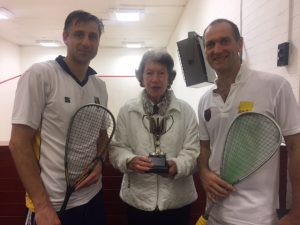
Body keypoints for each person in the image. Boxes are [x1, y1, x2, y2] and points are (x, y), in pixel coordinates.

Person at [197, 18, 300, 225]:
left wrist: (297, 213)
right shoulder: (205, 100)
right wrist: (203, 173)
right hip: (213, 216)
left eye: (224, 41)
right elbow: (204, 150)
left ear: (239, 44)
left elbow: (296, 148)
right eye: (210, 44)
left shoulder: (275, 86)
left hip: (256, 219)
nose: (217, 49)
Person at [9, 10, 107, 225]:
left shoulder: (100, 86)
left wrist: (100, 160)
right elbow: (18, 143)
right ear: (65, 37)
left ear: (99, 42)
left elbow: (102, 134)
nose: (85, 41)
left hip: (93, 198)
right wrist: (42, 206)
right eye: (78, 34)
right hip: (51, 205)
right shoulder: (40, 75)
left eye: (93, 36)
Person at [109, 49, 200, 225]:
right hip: (138, 200)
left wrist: (178, 165)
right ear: (141, 77)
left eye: (161, 73)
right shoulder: (127, 111)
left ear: (169, 77)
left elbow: (193, 151)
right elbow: (117, 149)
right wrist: (130, 161)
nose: (155, 79)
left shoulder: (186, 111)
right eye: (149, 73)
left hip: (177, 202)